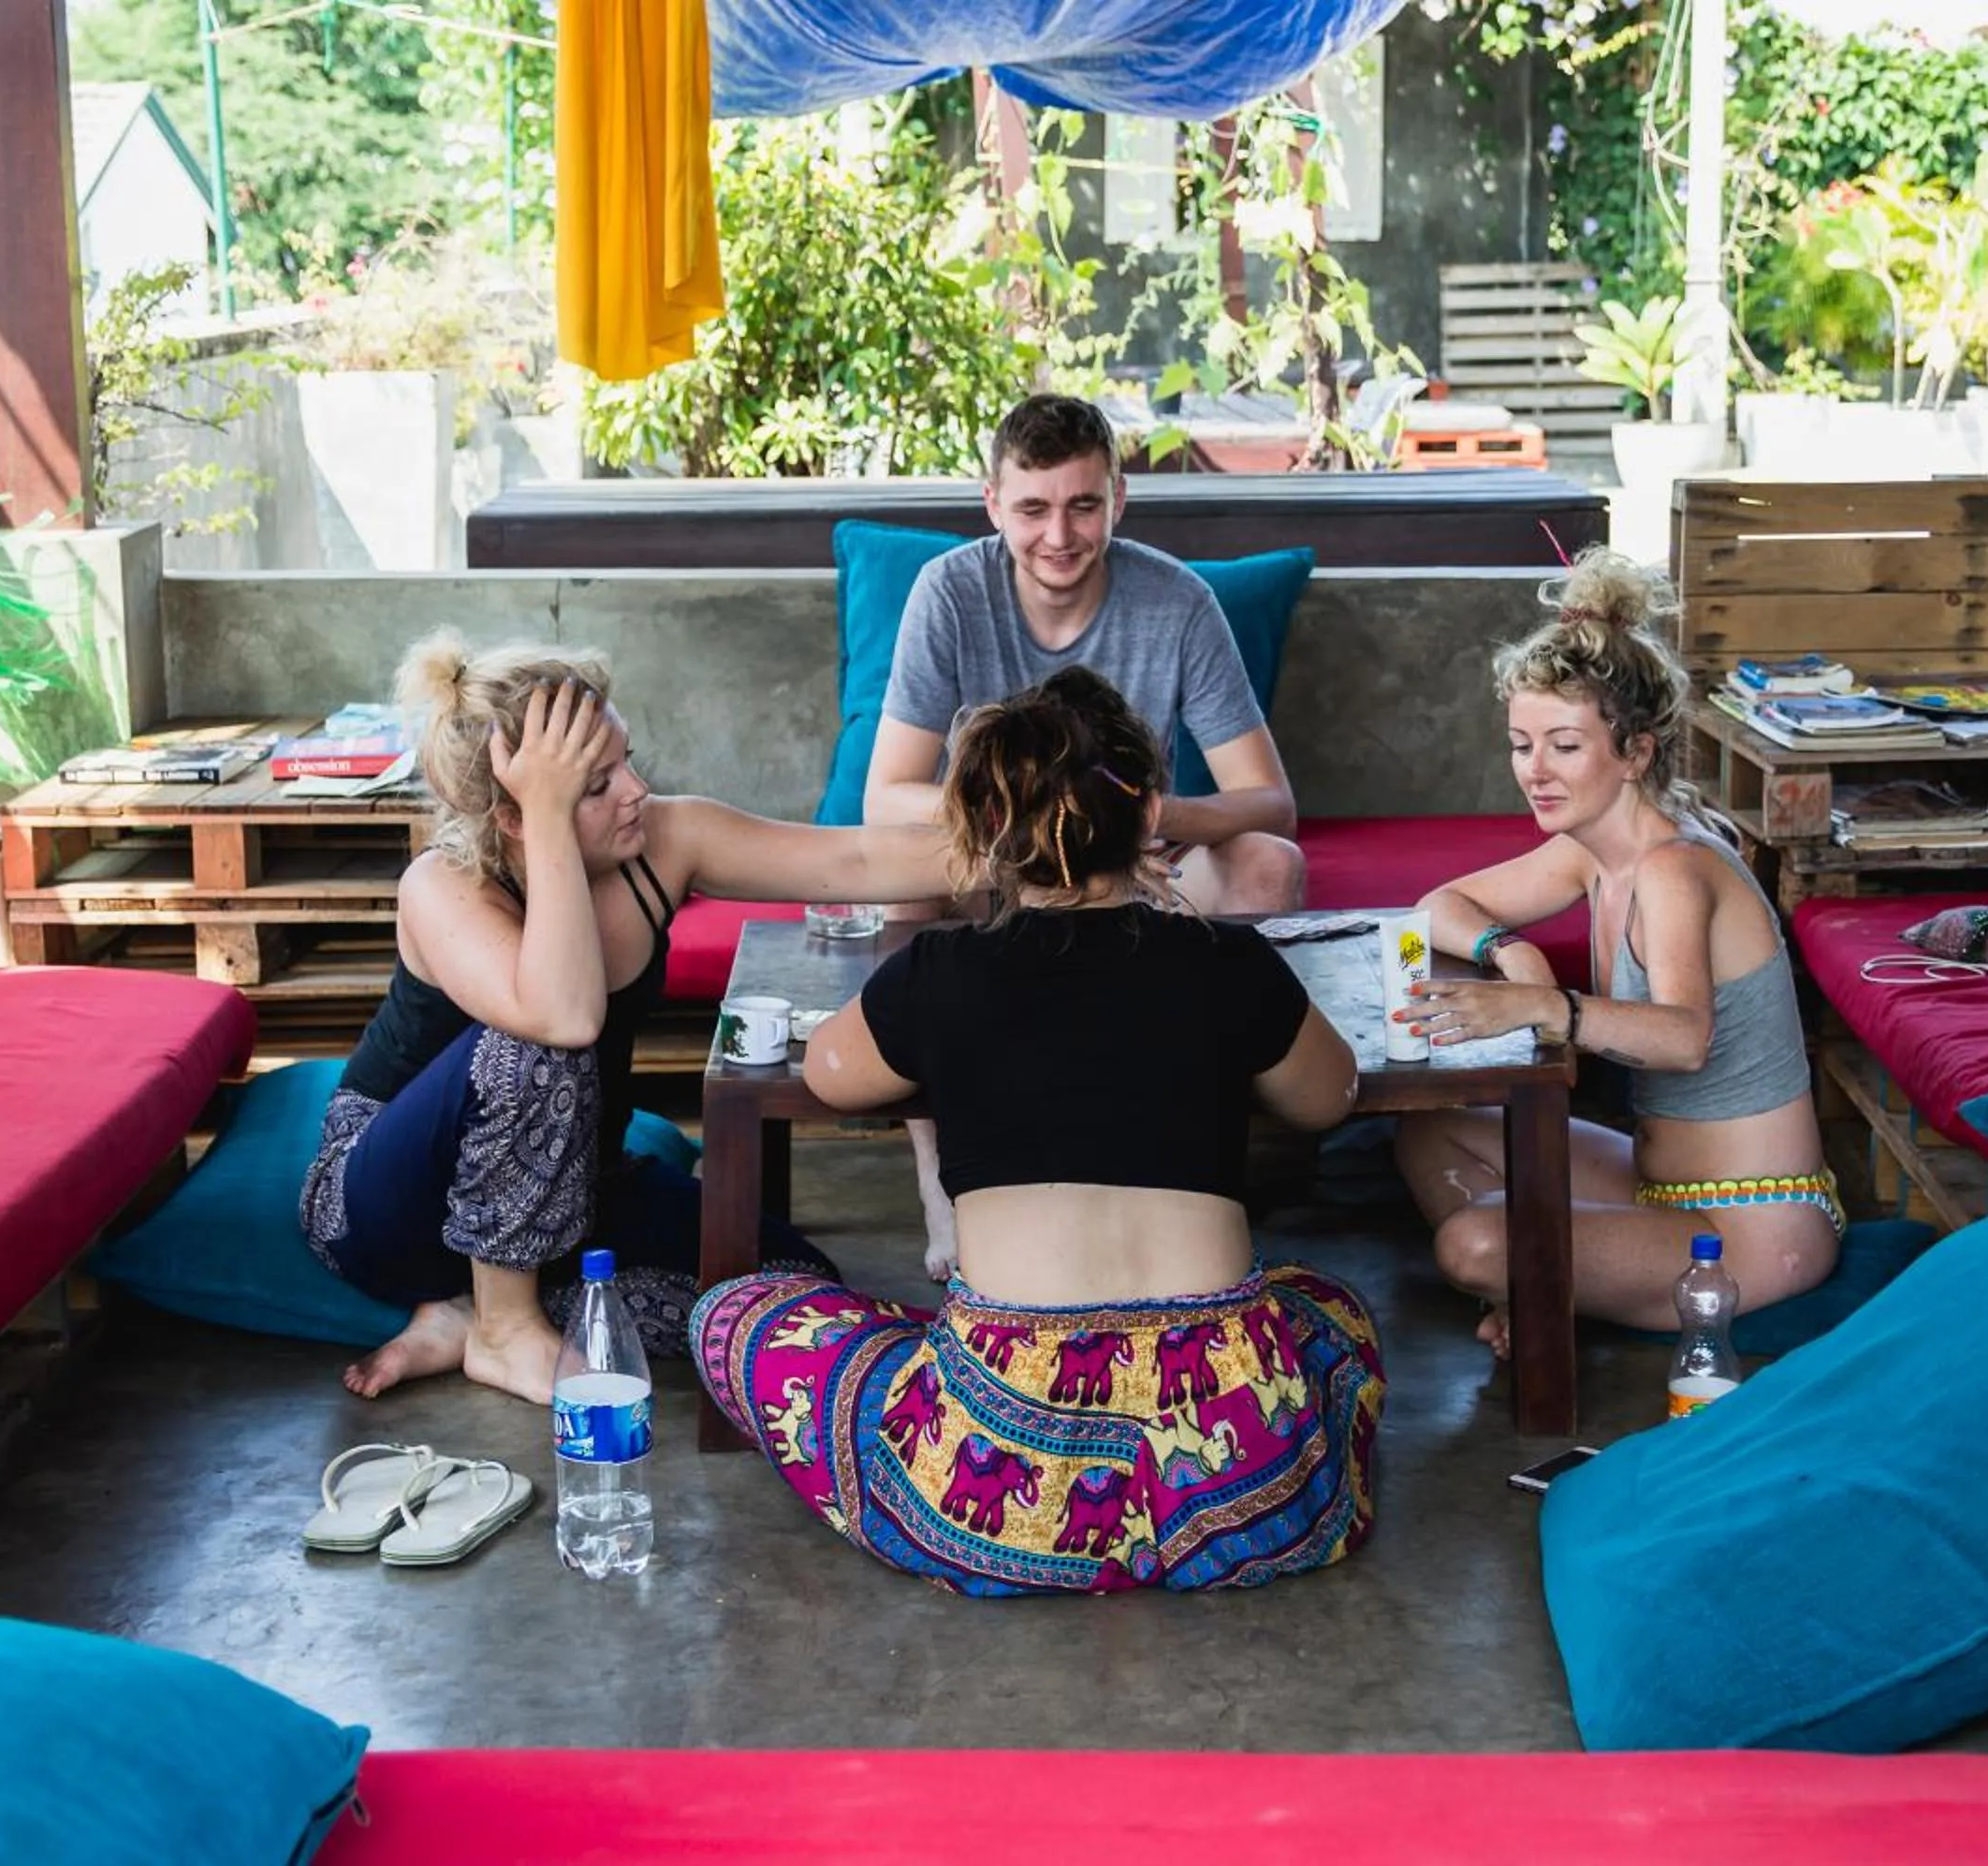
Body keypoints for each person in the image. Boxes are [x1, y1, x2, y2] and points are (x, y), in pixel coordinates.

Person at [694, 668, 1382, 1596]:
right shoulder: (1230, 961)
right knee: (1330, 1310)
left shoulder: (939, 970)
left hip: (1004, 1483)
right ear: (1148, 817)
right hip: (1240, 1478)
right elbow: (1327, 1094)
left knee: (736, 1313)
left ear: (977, 838)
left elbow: (832, 1073)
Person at [300, 634, 957, 1406]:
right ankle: (505, 1330)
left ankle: (466, 1312)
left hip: (576, 1183)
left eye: (629, 760)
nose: (638, 790)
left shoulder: (661, 842)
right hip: (388, 1208)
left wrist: (1051, 847)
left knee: (789, 1289)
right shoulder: (442, 887)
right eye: (598, 783)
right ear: (516, 815)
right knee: (537, 1044)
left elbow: (856, 862)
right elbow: (564, 1015)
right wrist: (547, 813)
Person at [865, 392, 1308, 1272]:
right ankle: (935, 1179)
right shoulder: (949, 591)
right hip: (998, 860)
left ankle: (1221, 1161)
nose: (1058, 535)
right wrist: (1020, 812)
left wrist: (1149, 815)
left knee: (1269, 866)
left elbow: (1269, 802)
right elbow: (888, 796)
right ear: (993, 505)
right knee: (901, 877)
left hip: (1133, 870)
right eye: (1032, 508)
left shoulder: (1176, 599)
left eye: (1083, 505)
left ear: (1119, 498)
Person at [1392, 548, 1841, 1351]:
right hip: (1656, 1185)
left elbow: (1682, 1036)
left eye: (1564, 746)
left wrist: (1545, 1006)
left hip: (1750, 1226)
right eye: (1520, 743)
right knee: (1430, 1130)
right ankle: (1540, 1291)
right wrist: (1512, 952)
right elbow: (1440, 908)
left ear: (1635, 754)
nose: (1535, 772)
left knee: (1475, 1245)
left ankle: (1530, 1292)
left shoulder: (1675, 868)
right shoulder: (1589, 850)